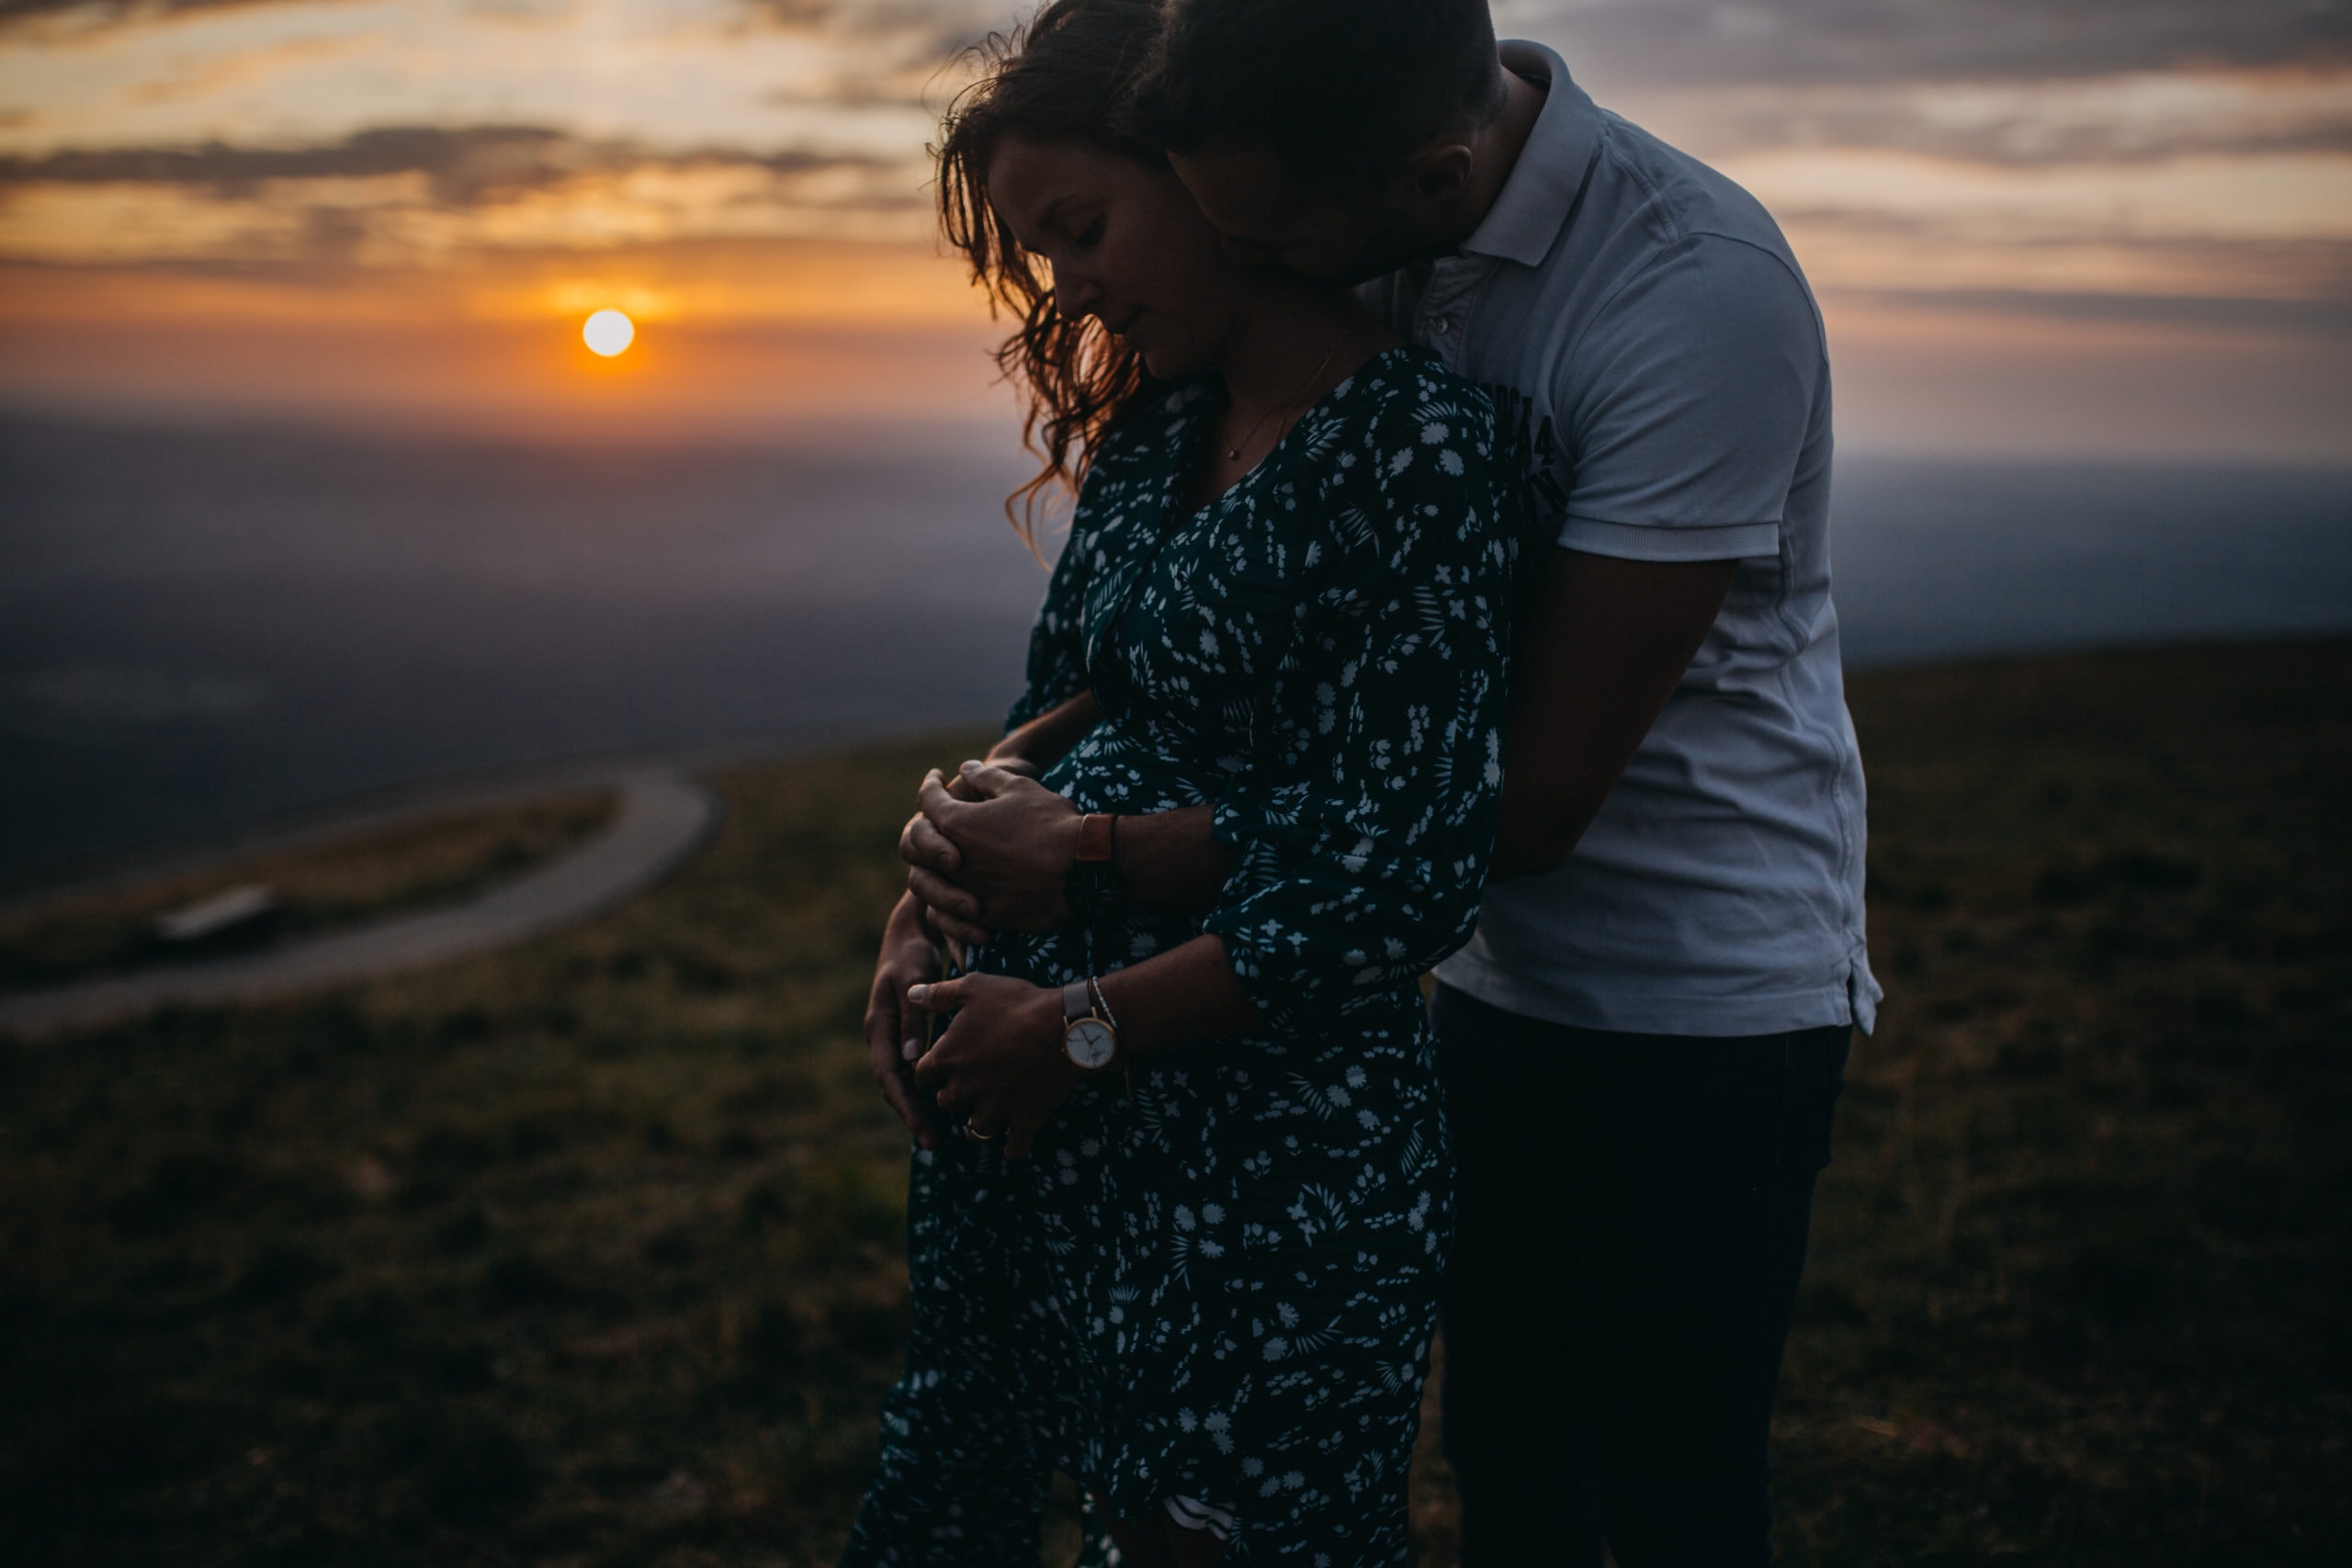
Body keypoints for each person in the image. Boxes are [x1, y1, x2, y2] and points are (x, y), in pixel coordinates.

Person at [899, 2, 1878, 1563]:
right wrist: (954, 857)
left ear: (1419, 182)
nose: (1252, 256)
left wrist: (1086, 879)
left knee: (1670, 1489)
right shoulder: (1328, 187)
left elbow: (1516, 805)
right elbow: (1172, 664)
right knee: (1512, 1466)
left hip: (1697, 992)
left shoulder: (1696, 298)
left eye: (1261, 231)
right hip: (1463, 980)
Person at [844, 1, 1527, 1562]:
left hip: (1261, 1156)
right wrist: (925, 906)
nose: (1068, 288)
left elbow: (1402, 862)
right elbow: (1055, 708)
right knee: (969, 1486)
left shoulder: (1417, 449)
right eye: (1040, 253)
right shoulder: (1161, 434)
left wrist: (1076, 1022)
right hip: (1038, 1131)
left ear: (1208, 175)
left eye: (1083, 229)